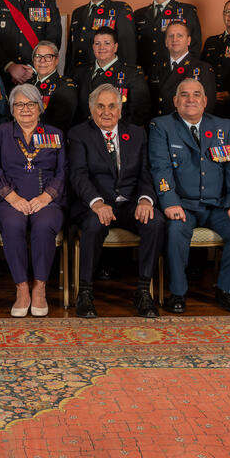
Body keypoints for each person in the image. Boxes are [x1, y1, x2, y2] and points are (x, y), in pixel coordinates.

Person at [149, 78, 230, 314]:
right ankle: (178, 293)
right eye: (184, 95)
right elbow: (160, 167)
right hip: (183, 205)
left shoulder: (223, 126)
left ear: (205, 101)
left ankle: (227, 290)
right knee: (175, 231)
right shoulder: (161, 126)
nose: (190, 99)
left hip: (217, 206)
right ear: (175, 101)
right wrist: (169, 202)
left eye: (196, 94)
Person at [68, 84, 164, 318]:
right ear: (91, 109)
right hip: (94, 204)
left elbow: (146, 172)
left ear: (120, 110)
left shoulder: (137, 133)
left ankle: (143, 291)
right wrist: (97, 203)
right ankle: (86, 292)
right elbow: (78, 174)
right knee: (93, 225)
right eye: (100, 106)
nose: (106, 112)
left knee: (156, 221)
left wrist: (145, 200)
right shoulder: (79, 134)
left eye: (112, 106)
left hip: (129, 203)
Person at [0, 83, 66, 317]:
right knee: (13, 224)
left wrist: (46, 196)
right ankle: (22, 288)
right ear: (12, 109)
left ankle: (39, 287)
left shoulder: (55, 134)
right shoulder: (2, 133)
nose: (25, 109)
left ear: (40, 107)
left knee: (43, 225)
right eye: (19, 104)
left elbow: (63, 172)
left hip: (47, 200)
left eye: (31, 104)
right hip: (8, 200)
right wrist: (12, 197)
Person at [134, 0, 202, 82]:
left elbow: (194, 47)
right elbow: (133, 48)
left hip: (175, 76)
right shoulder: (139, 14)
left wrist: (184, 74)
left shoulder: (187, 12)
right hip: (145, 78)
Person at [67, 0, 138, 74]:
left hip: (106, 74)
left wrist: (125, 78)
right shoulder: (78, 12)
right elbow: (71, 51)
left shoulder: (120, 9)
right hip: (78, 74)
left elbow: (128, 50)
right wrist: (67, 74)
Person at [75, 27, 151, 125]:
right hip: (83, 132)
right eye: (97, 43)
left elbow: (140, 113)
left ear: (115, 47)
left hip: (116, 134)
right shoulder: (79, 72)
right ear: (93, 47)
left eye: (107, 43)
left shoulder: (132, 74)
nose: (101, 47)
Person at [151, 21, 216, 117]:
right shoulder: (156, 69)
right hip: (160, 126)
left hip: (187, 127)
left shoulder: (203, 69)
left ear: (188, 40)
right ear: (166, 42)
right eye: (171, 36)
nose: (175, 39)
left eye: (180, 35)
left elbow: (208, 107)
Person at [29, 40, 80, 132]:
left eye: (48, 57)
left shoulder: (65, 86)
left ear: (56, 60)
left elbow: (60, 124)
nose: (42, 61)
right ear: (33, 60)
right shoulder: (27, 85)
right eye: (38, 56)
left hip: (49, 140)